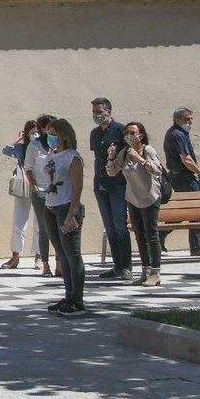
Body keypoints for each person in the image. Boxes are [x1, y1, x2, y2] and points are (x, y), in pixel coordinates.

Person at [110, 120, 167, 286]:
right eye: (126, 133)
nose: (129, 136)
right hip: (133, 198)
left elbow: (157, 170)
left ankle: (155, 273)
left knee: (152, 235)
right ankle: (145, 271)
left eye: (133, 133)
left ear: (141, 135)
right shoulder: (124, 153)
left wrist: (140, 159)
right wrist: (111, 157)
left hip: (150, 197)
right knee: (140, 235)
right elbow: (112, 172)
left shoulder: (147, 150)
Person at [41, 117, 89, 316]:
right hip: (50, 206)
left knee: (72, 254)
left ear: (63, 135)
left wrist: (72, 213)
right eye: (48, 133)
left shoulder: (73, 157)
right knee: (61, 254)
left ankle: (77, 300)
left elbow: (78, 188)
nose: (50, 137)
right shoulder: (51, 154)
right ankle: (68, 296)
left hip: (66, 206)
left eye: (53, 134)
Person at [87, 97, 134, 280]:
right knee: (109, 227)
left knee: (120, 226)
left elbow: (129, 155)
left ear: (109, 111)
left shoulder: (121, 130)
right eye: (94, 112)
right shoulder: (95, 133)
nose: (96, 115)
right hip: (100, 184)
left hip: (118, 185)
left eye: (99, 112)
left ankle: (126, 266)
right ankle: (117, 266)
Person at [159, 108, 200, 258]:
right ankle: (195, 247)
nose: (190, 122)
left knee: (184, 211)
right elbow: (186, 159)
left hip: (178, 177)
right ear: (177, 120)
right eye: (187, 119)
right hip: (185, 178)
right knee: (195, 211)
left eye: (191, 119)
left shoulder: (174, 133)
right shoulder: (178, 135)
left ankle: (160, 236)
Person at [1, 121, 44, 270]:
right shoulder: (21, 148)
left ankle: (39, 257)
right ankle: (15, 257)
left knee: (40, 224)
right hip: (24, 186)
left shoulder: (42, 146)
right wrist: (19, 139)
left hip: (40, 186)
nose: (35, 135)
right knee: (19, 223)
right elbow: (5, 150)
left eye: (37, 132)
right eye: (32, 132)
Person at [26, 115, 56, 276]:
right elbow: (28, 167)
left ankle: (60, 263)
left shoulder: (59, 144)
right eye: (50, 127)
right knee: (44, 229)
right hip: (41, 191)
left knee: (58, 228)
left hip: (57, 191)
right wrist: (34, 185)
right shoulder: (34, 146)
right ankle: (45, 264)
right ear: (43, 128)